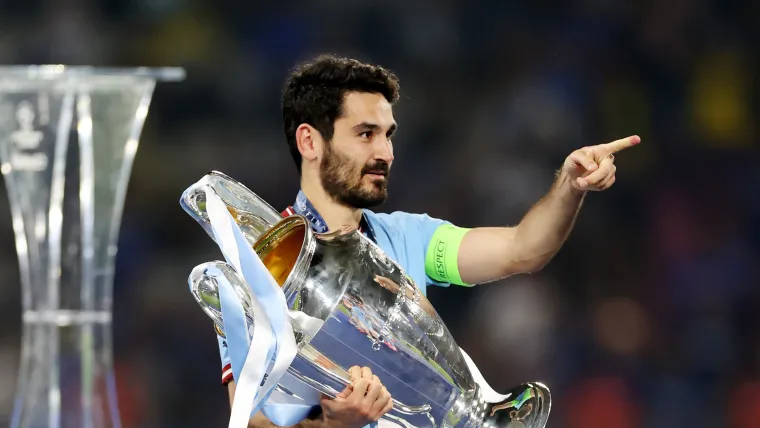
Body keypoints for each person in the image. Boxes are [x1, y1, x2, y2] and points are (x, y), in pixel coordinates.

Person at [217, 54, 640, 427]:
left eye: (389, 134)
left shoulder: (408, 237)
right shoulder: (261, 270)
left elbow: (522, 249)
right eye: (366, 134)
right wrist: (333, 426)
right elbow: (248, 421)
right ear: (310, 141)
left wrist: (569, 185)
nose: (386, 152)